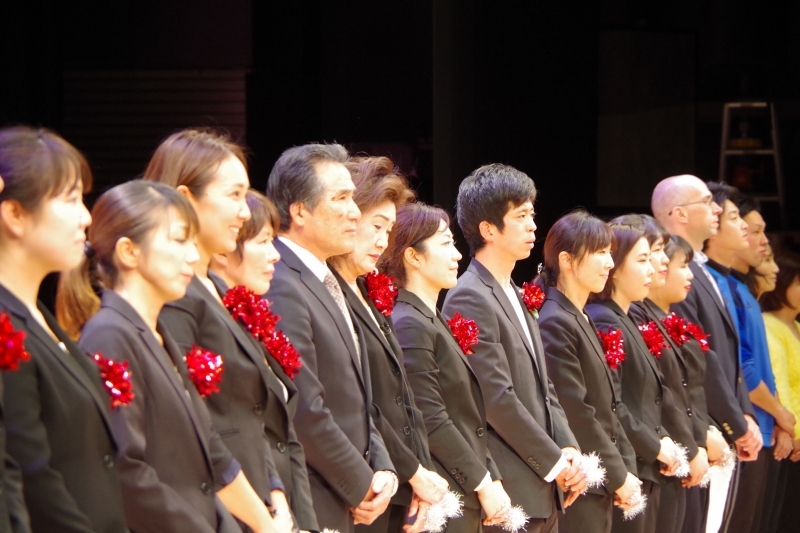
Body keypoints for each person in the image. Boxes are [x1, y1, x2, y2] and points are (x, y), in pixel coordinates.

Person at [59, 180, 281, 533]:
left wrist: (265, 525)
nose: (192, 256)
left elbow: (210, 452)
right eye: (179, 241)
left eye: (192, 242)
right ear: (129, 251)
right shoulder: (109, 334)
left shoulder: (157, 331)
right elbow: (127, 469)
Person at [143, 129, 303, 532]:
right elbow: (192, 431)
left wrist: (276, 500)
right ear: (184, 198)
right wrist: (262, 519)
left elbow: (254, 418)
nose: (245, 212)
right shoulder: (173, 296)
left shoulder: (217, 289)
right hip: (211, 511)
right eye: (234, 195)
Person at [441, 163, 587, 533]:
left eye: (531, 214)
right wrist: (555, 463)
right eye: (520, 216)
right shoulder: (469, 296)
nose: (532, 225)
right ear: (488, 229)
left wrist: (568, 447)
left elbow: (544, 387)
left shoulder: (517, 293)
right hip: (511, 489)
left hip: (543, 488)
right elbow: (495, 397)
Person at [0, 126, 126, 532]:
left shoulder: (36, 315)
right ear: (15, 214)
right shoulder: (6, 327)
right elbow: (33, 474)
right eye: (71, 199)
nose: (86, 217)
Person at [265, 144, 396, 533]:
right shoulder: (280, 281)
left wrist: (382, 468)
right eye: (340, 198)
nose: (354, 212)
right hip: (316, 497)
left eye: (352, 198)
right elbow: (304, 406)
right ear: (299, 211)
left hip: (348, 497)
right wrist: (361, 484)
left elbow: (357, 400)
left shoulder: (324, 279)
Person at [327, 157, 449, 533]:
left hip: (397, 484)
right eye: (376, 226)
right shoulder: (328, 292)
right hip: (362, 484)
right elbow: (363, 403)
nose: (383, 241)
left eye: (389, 230)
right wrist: (413, 472)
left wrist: (419, 471)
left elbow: (404, 400)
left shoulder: (368, 289)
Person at [379, 202, 512, 533]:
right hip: (442, 491)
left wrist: (491, 476)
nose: (457, 255)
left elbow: (468, 418)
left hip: (462, 488)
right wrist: (483, 482)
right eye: (445, 243)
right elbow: (430, 416)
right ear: (413, 256)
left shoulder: (431, 318)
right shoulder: (408, 322)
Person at [651, 175, 760, 533]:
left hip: (717, 424)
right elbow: (697, 361)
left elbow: (727, 356)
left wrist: (743, 413)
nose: (716, 209)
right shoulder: (672, 275)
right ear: (680, 214)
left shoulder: (701, 269)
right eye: (706, 202)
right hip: (701, 428)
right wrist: (730, 422)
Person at [208, 189, 318, 533]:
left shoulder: (251, 318)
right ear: (224, 250)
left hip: (279, 510)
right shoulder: (207, 319)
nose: (275, 255)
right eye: (264, 242)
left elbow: (284, 435)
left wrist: (299, 519)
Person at [535, 210, 641, 533]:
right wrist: (618, 475)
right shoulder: (554, 319)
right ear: (566, 260)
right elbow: (576, 410)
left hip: (600, 481)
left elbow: (611, 407)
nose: (609, 263)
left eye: (610, 253)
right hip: (581, 482)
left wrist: (626, 469)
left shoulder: (579, 315)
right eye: (599, 253)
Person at [585, 220, 687, 533]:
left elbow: (646, 396)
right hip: (629, 466)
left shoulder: (624, 317)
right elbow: (611, 404)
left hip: (646, 465)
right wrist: (654, 445)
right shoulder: (605, 321)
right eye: (642, 260)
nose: (653, 268)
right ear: (614, 268)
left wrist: (663, 438)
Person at [620, 218, 715, 533]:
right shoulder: (624, 316)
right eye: (651, 253)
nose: (661, 261)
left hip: (672, 452)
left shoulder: (646, 314)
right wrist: (688, 446)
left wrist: (699, 439)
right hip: (652, 457)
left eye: (660, 251)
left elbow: (682, 388)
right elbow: (641, 398)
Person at [702, 183, 768, 533]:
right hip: (721, 427)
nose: (743, 227)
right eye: (733, 218)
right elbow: (722, 361)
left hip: (747, 424)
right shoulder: (705, 280)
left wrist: (747, 416)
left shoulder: (732, 286)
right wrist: (743, 418)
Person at [729, 194, 794, 533]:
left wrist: (781, 420)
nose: (763, 241)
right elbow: (744, 367)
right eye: (753, 231)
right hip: (748, 431)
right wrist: (782, 415)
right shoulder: (729, 290)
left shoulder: (743, 295)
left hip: (766, 428)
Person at [759, 250, 800, 533]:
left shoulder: (795, 325)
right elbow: (779, 384)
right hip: (789, 439)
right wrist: (795, 434)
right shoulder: (769, 324)